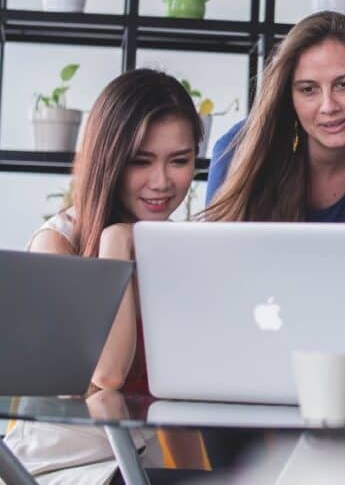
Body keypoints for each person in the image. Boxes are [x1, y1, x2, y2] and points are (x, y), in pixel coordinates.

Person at [5, 69, 209, 483]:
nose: (162, 182)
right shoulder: (57, 244)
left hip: (134, 468)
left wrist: (212, 477)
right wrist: (116, 243)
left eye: (180, 161)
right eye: (141, 161)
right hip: (60, 470)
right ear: (109, 159)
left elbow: (177, 406)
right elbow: (107, 375)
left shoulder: (169, 250)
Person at [203, 10, 345, 235]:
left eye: (344, 84)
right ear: (290, 95)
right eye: (308, 89)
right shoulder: (237, 148)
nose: (329, 106)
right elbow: (216, 261)